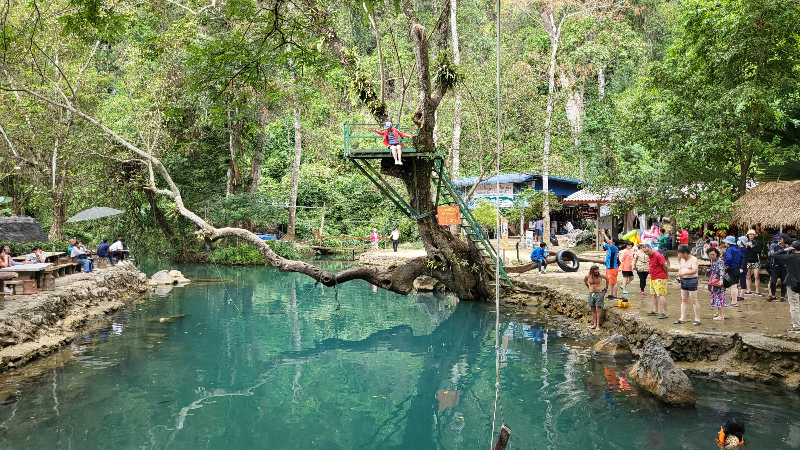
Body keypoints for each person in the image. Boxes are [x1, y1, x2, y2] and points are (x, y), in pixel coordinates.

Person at [774, 240, 800, 333]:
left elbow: (774, 255)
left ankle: (797, 326)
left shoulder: (790, 257)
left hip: (792, 282)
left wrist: (785, 249)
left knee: (794, 304)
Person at [674, 244, 700, 325]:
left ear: (685, 253)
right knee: (684, 299)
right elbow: (681, 269)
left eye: (681, 254)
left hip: (692, 280)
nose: (680, 256)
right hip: (684, 280)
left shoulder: (694, 259)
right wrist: (679, 276)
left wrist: (684, 273)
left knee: (693, 299)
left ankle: (697, 318)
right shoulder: (682, 260)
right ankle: (683, 318)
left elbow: (694, 270)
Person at [643, 244, 670, 319]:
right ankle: (655, 310)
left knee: (660, 294)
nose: (647, 253)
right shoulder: (649, 256)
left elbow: (665, 265)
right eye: (645, 252)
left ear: (651, 249)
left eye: (647, 251)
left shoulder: (658, 255)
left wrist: (666, 273)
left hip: (660, 277)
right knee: (653, 294)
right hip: (653, 277)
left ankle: (665, 312)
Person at [584, 265, 608, 331]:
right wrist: (589, 287)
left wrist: (606, 287)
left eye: (598, 271)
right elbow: (585, 281)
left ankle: (598, 325)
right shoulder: (587, 276)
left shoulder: (600, 275)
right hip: (591, 293)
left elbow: (607, 278)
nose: (597, 273)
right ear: (592, 271)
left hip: (599, 292)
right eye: (595, 272)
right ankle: (594, 324)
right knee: (593, 309)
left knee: (598, 309)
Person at [722, 235, 742, 307]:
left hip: (731, 268)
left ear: (728, 243)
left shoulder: (729, 249)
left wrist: (725, 264)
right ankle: (735, 301)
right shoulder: (738, 249)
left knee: (732, 286)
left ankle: (734, 302)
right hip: (737, 268)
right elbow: (741, 257)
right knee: (735, 285)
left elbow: (728, 258)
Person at [768, 234, 789, 302]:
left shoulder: (788, 246)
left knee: (784, 282)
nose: (779, 240)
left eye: (780, 239)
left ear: (784, 239)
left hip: (784, 266)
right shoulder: (773, 245)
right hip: (775, 266)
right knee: (773, 281)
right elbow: (770, 254)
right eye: (778, 239)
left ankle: (782, 297)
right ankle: (773, 295)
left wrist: (778, 254)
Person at [708, 248, 727, 320]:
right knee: (716, 296)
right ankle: (719, 313)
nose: (711, 256)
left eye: (713, 254)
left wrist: (721, 280)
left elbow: (722, 271)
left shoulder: (720, 261)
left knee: (719, 297)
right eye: (710, 255)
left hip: (718, 282)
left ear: (716, 254)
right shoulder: (713, 261)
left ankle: (721, 315)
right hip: (714, 282)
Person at [744, 229, 763, 296]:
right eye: (750, 234)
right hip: (747, 260)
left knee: (756, 276)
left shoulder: (757, 242)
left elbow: (759, 251)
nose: (752, 235)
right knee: (748, 276)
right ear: (748, 235)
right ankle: (749, 290)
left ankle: (757, 291)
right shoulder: (745, 242)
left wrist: (752, 246)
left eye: (753, 234)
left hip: (756, 260)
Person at [601, 229, 619, 300]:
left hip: (612, 267)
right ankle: (611, 295)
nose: (610, 240)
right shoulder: (609, 247)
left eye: (611, 239)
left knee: (614, 282)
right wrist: (600, 235)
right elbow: (602, 242)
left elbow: (608, 241)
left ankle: (615, 296)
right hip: (609, 267)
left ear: (613, 242)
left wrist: (604, 234)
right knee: (610, 282)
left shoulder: (614, 248)